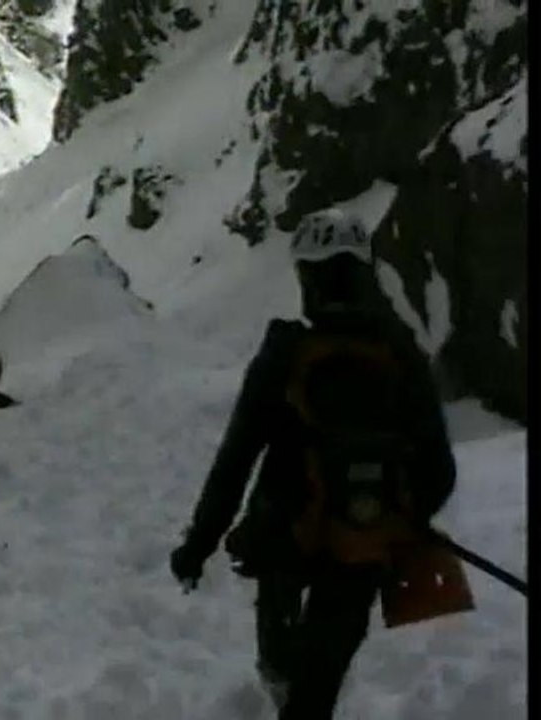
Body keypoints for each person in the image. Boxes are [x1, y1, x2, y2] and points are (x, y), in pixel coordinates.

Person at [168, 208, 456, 719]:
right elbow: (438, 469)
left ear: (307, 276)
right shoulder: (399, 353)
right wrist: (393, 518)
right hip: (362, 547)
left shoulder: (287, 352)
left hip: (283, 537)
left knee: (281, 668)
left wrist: (198, 544)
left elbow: (235, 459)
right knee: (316, 693)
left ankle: (284, 684)